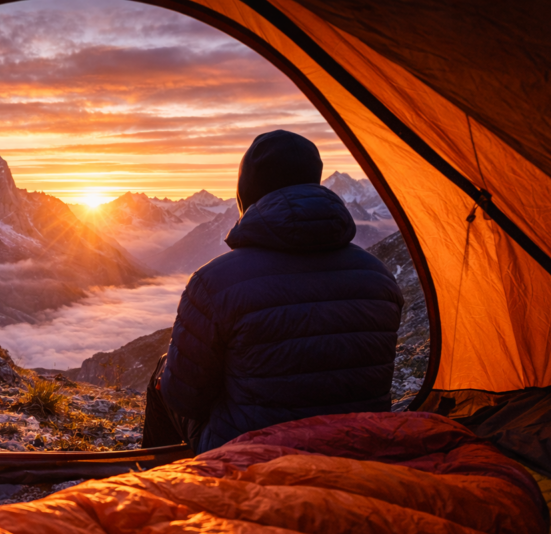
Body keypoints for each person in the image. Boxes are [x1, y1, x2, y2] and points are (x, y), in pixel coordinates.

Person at [142, 130, 404, 454]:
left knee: (162, 374)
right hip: (359, 450)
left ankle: (161, 489)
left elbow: (184, 398)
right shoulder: (379, 276)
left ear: (246, 193)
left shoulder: (213, 283)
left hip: (250, 456)